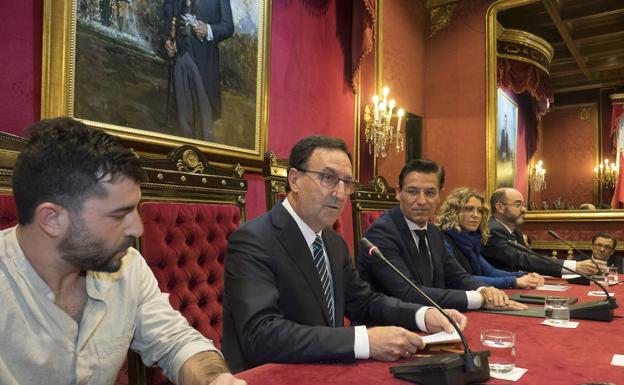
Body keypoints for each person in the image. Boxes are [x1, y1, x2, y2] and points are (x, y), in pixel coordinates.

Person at [0, 118, 244, 385]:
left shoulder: (127, 265)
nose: (138, 229)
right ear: (52, 219)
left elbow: (176, 341)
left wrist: (214, 379)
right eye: (119, 215)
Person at [222, 136, 467, 373]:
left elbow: (364, 302)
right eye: (328, 178)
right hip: (271, 374)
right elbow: (261, 335)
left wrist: (423, 315)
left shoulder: (332, 242)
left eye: (347, 182)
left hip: (328, 369)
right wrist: (364, 340)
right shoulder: (254, 240)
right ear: (294, 180)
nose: (340, 194)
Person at [357, 159, 526, 312]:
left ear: (440, 194)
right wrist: (478, 299)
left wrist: (484, 290)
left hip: (436, 320)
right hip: (388, 327)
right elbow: (407, 292)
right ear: (399, 192)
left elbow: (457, 275)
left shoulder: (432, 231)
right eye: (413, 191)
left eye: (430, 192)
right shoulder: (382, 233)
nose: (422, 201)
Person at [482, 188, 604, 277]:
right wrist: (574, 267)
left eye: (523, 205)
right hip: (498, 289)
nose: (524, 209)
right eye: (518, 205)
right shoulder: (492, 230)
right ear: (500, 207)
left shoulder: (515, 231)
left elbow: (530, 257)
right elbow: (522, 260)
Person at [437, 187, 544, 289]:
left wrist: (524, 275)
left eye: (480, 211)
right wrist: (514, 281)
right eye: (469, 209)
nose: (476, 215)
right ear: (454, 212)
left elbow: (489, 272)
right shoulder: (443, 240)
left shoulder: (471, 239)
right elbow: (462, 279)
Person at [164, 0, 234, 140]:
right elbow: (168, 11)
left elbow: (228, 27)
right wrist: (167, 40)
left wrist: (208, 29)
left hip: (204, 64)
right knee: (183, 123)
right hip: (180, 58)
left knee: (205, 126)